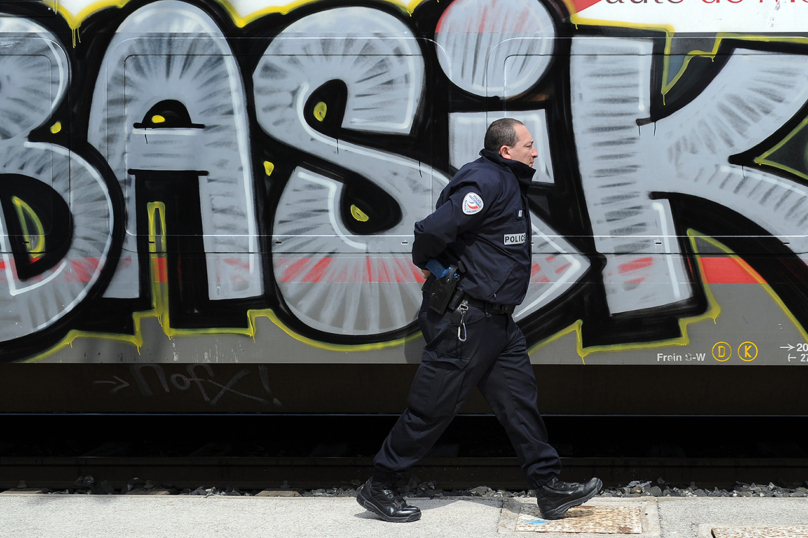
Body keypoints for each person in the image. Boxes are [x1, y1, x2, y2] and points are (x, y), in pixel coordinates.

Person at [356, 118, 602, 523]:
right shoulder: (484, 182)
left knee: (519, 404)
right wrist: (434, 267)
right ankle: (381, 485)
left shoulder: (505, 181)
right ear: (506, 150)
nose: (535, 152)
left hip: (498, 324)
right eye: (528, 145)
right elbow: (431, 231)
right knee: (432, 407)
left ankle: (548, 488)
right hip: (466, 320)